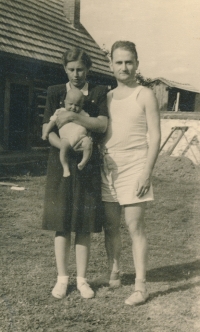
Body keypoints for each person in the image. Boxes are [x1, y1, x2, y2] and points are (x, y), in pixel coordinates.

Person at [42, 47, 109, 300]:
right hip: (61, 164)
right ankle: (62, 279)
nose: (76, 74)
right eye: (71, 69)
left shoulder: (100, 93)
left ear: (88, 69)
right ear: (65, 69)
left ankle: (82, 280)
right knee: (61, 223)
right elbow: (47, 131)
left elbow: (102, 125)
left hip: (87, 164)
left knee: (83, 224)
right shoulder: (54, 92)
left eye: (80, 69)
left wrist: (72, 116)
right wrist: (66, 148)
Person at [99, 41, 161, 306]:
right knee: (111, 226)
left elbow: (156, 136)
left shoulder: (145, 94)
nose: (124, 67)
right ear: (111, 65)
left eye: (129, 62)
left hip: (136, 165)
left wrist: (146, 172)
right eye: (119, 62)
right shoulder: (107, 97)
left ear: (137, 63)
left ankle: (140, 286)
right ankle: (115, 271)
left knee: (134, 225)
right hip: (107, 167)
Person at [42, 88, 92, 177]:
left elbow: (88, 126)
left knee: (88, 144)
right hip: (66, 138)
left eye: (77, 105)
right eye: (71, 104)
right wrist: (45, 133)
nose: (73, 108)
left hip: (81, 137)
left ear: (82, 105)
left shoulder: (84, 114)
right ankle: (65, 167)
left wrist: (89, 135)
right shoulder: (60, 112)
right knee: (63, 147)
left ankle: (84, 161)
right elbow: (52, 122)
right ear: (65, 102)